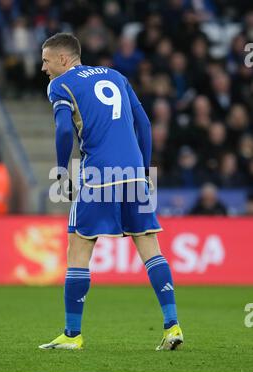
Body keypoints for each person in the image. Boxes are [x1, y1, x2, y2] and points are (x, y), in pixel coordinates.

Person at [39, 33, 183, 351]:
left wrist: (63, 171)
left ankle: (72, 335)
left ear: (64, 59)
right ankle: (172, 327)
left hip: (98, 175)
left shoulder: (60, 85)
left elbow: (64, 130)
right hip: (133, 173)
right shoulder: (116, 76)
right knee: (150, 247)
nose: (43, 68)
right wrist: (143, 170)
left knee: (78, 248)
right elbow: (143, 124)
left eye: (46, 60)